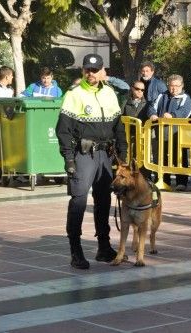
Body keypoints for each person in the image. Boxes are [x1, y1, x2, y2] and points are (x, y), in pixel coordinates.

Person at [55, 53, 127, 270]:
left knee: (104, 200)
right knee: (78, 201)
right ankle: (75, 251)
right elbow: (63, 130)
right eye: (87, 70)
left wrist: (122, 157)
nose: (91, 74)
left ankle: (103, 247)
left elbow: (119, 127)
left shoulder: (110, 93)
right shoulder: (74, 94)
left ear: (103, 71)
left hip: (105, 155)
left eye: (95, 70)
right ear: (83, 71)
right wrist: (69, 158)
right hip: (84, 154)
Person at [149, 74, 191, 191]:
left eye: (177, 86)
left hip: (178, 133)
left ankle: (181, 182)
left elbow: (185, 112)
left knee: (179, 157)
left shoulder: (186, 98)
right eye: (171, 86)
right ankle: (163, 180)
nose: (174, 88)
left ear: (182, 86)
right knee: (161, 156)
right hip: (161, 133)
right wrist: (152, 114)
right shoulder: (162, 96)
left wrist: (172, 115)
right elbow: (152, 107)